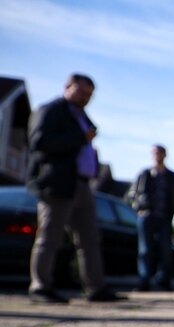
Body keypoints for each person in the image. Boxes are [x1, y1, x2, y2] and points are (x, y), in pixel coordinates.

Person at [26, 73, 125, 304]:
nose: (85, 98)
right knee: (50, 236)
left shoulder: (79, 115)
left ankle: (95, 287)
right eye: (81, 92)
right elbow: (40, 143)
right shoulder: (51, 110)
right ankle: (40, 286)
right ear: (67, 87)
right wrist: (80, 137)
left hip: (82, 185)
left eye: (89, 95)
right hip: (58, 183)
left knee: (90, 238)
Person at [127, 144, 174, 291]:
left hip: (165, 217)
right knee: (145, 250)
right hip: (146, 216)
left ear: (165, 155)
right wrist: (139, 207)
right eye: (154, 153)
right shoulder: (144, 174)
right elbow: (132, 194)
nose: (156, 155)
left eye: (159, 152)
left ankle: (164, 280)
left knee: (166, 250)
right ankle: (144, 281)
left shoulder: (173, 177)